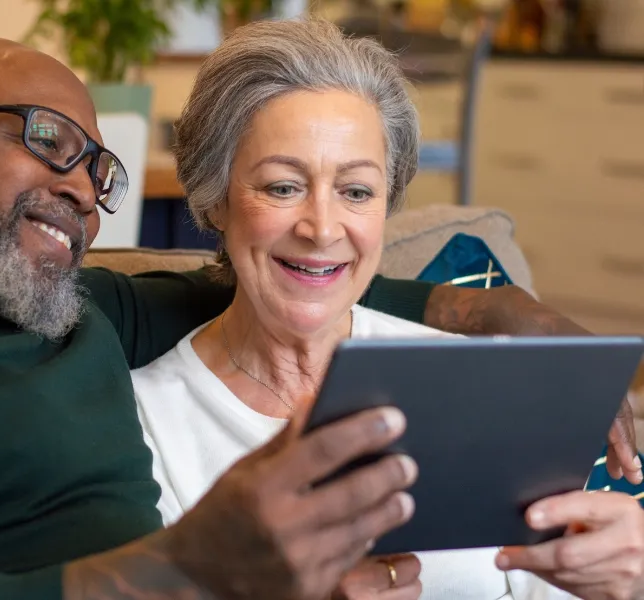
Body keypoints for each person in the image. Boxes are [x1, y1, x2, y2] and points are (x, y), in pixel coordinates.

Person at [0, 36, 637, 600]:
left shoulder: (85, 311)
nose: (79, 190)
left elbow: (293, 279)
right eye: (48, 141)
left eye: (98, 170)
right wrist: (193, 574)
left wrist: (494, 318)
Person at [132, 18, 644, 600]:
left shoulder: (473, 379)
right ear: (216, 199)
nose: (322, 228)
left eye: (356, 192)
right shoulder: (146, 422)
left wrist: (626, 580)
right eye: (281, 187)